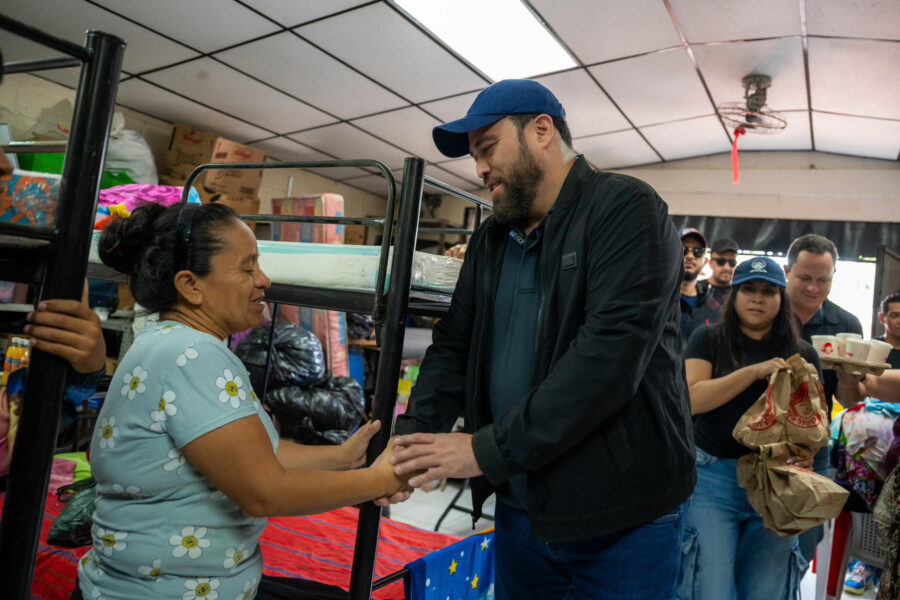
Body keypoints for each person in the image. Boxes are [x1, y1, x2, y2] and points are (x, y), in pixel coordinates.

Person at [387, 79, 695, 600]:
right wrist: (410, 446)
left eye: (488, 148)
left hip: (621, 518)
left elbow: (608, 360)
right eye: (474, 156)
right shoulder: (490, 237)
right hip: (522, 508)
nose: (479, 169)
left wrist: (484, 451)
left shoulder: (625, 209)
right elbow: (454, 345)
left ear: (542, 131)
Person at [75, 202, 410, 599]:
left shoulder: (171, 341)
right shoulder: (192, 354)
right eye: (247, 268)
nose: (264, 280)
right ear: (190, 286)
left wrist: (342, 458)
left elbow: (252, 454)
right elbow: (263, 490)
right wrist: (379, 479)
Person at [678, 257, 823, 600]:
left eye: (768, 291)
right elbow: (691, 399)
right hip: (712, 479)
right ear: (734, 295)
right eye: (748, 289)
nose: (757, 298)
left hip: (776, 481)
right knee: (710, 589)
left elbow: (813, 423)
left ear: (781, 298)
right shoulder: (707, 338)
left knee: (766, 590)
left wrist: (809, 456)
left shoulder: (802, 353)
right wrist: (753, 373)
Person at [783, 234, 864, 561]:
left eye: (823, 280)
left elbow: (850, 400)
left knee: (804, 544)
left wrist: (849, 378)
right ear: (787, 271)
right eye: (804, 278)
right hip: (755, 446)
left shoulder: (846, 325)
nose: (813, 288)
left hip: (812, 449)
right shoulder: (763, 312)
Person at [680, 228, 722, 343]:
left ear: (706, 261)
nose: (690, 256)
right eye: (683, 250)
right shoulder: (656, 300)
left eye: (697, 251)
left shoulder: (714, 309)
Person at [707, 238, 740, 304]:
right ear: (710, 263)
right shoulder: (696, 289)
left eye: (732, 262)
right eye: (721, 262)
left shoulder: (740, 292)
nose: (727, 268)